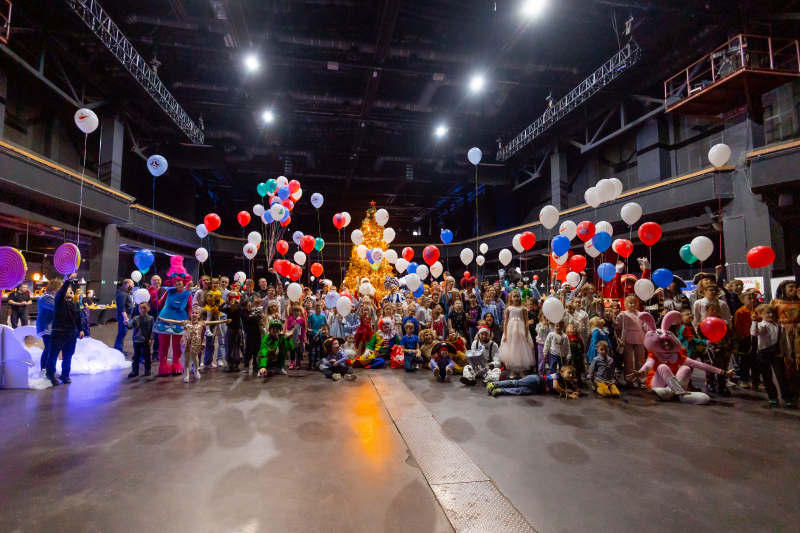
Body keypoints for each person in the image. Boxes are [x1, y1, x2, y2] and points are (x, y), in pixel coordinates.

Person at [751, 304, 795, 407]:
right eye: (767, 313)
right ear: (761, 314)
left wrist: (788, 355)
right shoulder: (760, 326)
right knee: (767, 376)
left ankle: (787, 397)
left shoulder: (780, 327)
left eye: (772, 313)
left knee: (781, 376)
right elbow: (754, 333)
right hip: (763, 354)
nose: (770, 315)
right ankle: (772, 396)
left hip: (777, 355)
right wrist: (754, 322)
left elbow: (785, 342)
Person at [155, 257, 193, 376]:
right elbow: (160, 304)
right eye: (175, 281)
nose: (177, 283)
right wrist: (153, 295)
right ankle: (163, 364)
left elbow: (189, 309)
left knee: (177, 345)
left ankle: (176, 363)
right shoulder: (169, 292)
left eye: (179, 281)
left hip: (180, 322)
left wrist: (190, 323)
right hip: (164, 321)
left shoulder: (188, 294)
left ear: (184, 281)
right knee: (163, 345)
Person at [45, 274, 82, 386]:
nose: (70, 290)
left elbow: (78, 318)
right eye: (68, 289)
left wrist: (81, 329)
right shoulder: (59, 302)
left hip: (71, 333)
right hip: (59, 333)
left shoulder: (75, 304)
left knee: (68, 356)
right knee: (53, 355)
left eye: (71, 289)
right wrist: (69, 280)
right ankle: (50, 375)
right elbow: (61, 292)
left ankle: (65, 375)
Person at [697, 303, 733, 397]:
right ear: (707, 310)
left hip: (722, 347)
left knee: (723, 366)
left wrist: (730, 346)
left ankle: (722, 385)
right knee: (710, 365)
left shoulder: (723, 322)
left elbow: (728, 335)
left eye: (717, 310)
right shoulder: (702, 322)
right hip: (710, 349)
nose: (715, 312)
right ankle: (710, 383)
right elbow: (700, 336)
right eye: (712, 310)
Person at [498, 290, 535, 377]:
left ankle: (521, 370)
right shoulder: (508, 309)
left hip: (520, 331)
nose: (516, 298)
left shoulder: (523, 309)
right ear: (511, 298)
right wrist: (505, 334)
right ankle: (513, 370)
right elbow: (506, 322)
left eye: (517, 296)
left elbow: (526, 321)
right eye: (514, 297)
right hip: (511, 331)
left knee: (520, 349)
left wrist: (526, 333)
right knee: (512, 349)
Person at [487, 365, 582, 398]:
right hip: (536, 380)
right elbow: (556, 386)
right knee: (517, 383)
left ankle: (500, 391)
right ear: (562, 372)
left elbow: (576, 389)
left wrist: (577, 392)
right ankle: (494, 384)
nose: (571, 376)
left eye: (572, 375)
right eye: (569, 373)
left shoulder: (567, 384)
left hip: (537, 389)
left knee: (519, 391)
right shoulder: (557, 376)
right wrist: (568, 395)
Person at [616, 295, 647, 387]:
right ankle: (629, 380)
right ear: (626, 304)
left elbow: (645, 327)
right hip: (627, 339)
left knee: (641, 360)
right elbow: (618, 328)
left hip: (639, 338)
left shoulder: (641, 314)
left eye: (634, 303)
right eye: (630, 303)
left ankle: (641, 380)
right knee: (628, 360)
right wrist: (619, 339)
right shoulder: (622, 315)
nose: (633, 305)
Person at [733, 289, 758, 389]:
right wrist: (740, 338)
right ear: (742, 300)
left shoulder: (757, 311)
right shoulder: (740, 312)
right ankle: (744, 379)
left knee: (755, 360)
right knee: (744, 360)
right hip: (745, 339)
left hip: (755, 338)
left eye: (754, 298)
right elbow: (737, 326)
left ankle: (755, 380)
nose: (753, 300)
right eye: (749, 298)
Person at [36, 279, 62, 372]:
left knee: (52, 348)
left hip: (51, 326)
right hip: (46, 326)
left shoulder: (52, 296)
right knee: (49, 348)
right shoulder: (47, 297)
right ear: (55, 287)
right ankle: (44, 370)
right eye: (60, 287)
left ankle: (50, 369)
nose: (62, 289)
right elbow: (57, 308)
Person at [125, 301, 155, 378]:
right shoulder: (136, 318)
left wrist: (151, 338)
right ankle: (135, 371)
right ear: (138, 309)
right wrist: (126, 324)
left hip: (146, 340)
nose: (142, 309)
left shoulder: (151, 319)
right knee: (136, 356)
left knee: (147, 355)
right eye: (140, 308)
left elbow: (153, 329)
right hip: (137, 340)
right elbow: (130, 327)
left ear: (148, 308)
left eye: (144, 308)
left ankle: (147, 370)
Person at [221, 298, 245, 372]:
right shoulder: (227, 309)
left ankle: (236, 364)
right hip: (230, 330)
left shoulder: (238, 310)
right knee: (228, 347)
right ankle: (229, 364)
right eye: (232, 301)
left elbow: (242, 307)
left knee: (236, 348)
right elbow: (220, 309)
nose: (233, 302)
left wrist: (238, 302)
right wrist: (224, 303)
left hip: (237, 331)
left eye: (234, 301)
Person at [241, 299, 264, 374]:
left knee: (256, 350)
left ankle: (255, 365)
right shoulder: (243, 312)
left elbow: (259, 317)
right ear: (244, 306)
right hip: (250, 334)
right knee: (249, 350)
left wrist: (255, 316)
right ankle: (246, 366)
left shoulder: (252, 312)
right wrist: (256, 317)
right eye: (248, 306)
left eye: (250, 305)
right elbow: (249, 318)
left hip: (257, 333)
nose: (249, 307)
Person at [114, 279, 134, 353]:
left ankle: (118, 349)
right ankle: (118, 349)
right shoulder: (122, 294)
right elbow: (121, 306)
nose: (133, 285)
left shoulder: (124, 293)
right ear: (128, 284)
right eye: (132, 284)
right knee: (122, 332)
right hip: (123, 316)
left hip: (125, 315)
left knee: (123, 332)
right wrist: (125, 317)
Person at [286, 305, 307, 370]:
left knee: (298, 352)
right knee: (292, 351)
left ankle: (298, 363)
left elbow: (303, 329)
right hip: (292, 338)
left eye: (298, 311)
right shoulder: (290, 319)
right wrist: (292, 325)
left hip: (299, 338)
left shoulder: (302, 320)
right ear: (293, 312)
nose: (297, 313)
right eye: (295, 311)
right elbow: (288, 328)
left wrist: (303, 338)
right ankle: (292, 363)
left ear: (300, 312)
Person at [566, 323, 586, 387]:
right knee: (571, 368)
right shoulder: (567, 337)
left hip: (579, 356)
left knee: (579, 368)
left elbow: (582, 346)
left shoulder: (579, 337)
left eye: (574, 327)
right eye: (570, 326)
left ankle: (579, 380)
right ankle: (570, 380)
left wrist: (582, 352)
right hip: (571, 356)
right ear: (567, 330)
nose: (573, 327)